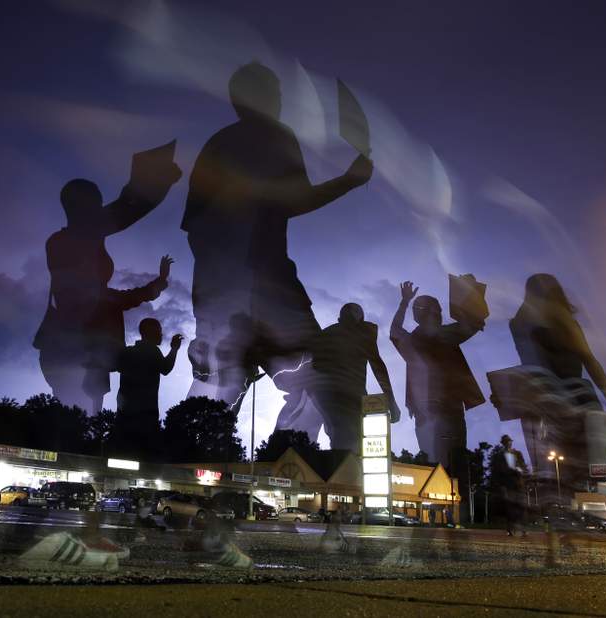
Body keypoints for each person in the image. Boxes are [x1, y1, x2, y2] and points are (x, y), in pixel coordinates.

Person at [181, 61, 374, 432]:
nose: (280, 99)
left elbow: (195, 228)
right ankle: (290, 462)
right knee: (316, 378)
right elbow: (295, 200)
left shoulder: (217, 144)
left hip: (224, 289)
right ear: (255, 98)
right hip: (267, 287)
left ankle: (194, 456)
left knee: (219, 386)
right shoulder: (276, 137)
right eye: (274, 92)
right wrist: (348, 180)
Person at [34, 160, 182, 414]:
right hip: (76, 355)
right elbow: (123, 212)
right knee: (78, 423)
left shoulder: (75, 239)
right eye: (95, 204)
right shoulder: (65, 243)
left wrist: (154, 183)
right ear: (82, 208)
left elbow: (124, 211)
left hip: (86, 357)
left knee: (86, 423)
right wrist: (156, 285)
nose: (101, 209)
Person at [509, 274, 606, 496]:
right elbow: (589, 360)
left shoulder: (528, 324)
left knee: (572, 468)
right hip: (563, 398)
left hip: (558, 397)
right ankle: (577, 502)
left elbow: (588, 360)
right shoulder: (538, 323)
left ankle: (576, 502)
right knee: (576, 467)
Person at [390, 280, 485, 525]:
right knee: (452, 461)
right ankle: (452, 515)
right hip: (446, 408)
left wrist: (404, 302)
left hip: (426, 411)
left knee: (435, 461)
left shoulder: (413, 341)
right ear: (428, 314)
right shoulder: (442, 336)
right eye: (438, 310)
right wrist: (470, 298)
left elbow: (394, 330)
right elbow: (472, 325)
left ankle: (438, 513)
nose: (441, 314)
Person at [309, 303, 400, 451]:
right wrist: (391, 400)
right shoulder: (363, 333)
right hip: (343, 398)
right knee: (350, 445)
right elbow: (378, 366)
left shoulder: (327, 334)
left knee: (346, 443)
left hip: (332, 399)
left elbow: (314, 370)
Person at [113, 318, 183, 457]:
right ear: (150, 332)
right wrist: (174, 349)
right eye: (159, 331)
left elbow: (116, 366)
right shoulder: (152, 351)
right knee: (145, 455)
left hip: (125, 413)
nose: (161, 335)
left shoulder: (129, 352)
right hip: (146, 415)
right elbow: (166, 368)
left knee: (124, 452)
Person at [492, 435, 529, 536]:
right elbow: (496, 472)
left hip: (519, 484)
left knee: (521, 507)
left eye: (509, 441)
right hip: (507, 485)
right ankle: (510, 529)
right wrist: (500, 486)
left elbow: (523, 467)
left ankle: (523, 529)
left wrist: (520, 470)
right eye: (506, 441)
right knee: (509, 508)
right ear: (503, 443)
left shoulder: (518, 454)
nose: (509, 443)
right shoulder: (499, 456)